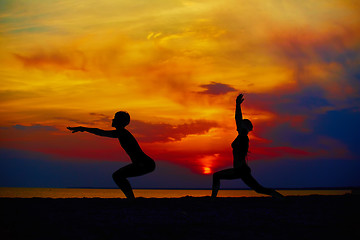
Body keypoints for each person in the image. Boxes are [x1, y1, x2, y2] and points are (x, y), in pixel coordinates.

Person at [67, 111, 155, 200]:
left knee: (118, 176)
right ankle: (131, 199)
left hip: (145, 163)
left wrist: (84, 128)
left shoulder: (122, 133)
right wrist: (84, 129)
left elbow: (101, 132)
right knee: (119, 176)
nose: (113, 119)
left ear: (121, 121)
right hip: (144, 163)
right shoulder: (122, 133)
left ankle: (131, 199)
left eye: (115, 118)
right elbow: (101, 132)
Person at [211, 94, 284, 199]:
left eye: (241, 124)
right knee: (258, 189)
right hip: (241, 169)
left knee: (217, 176)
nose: (238, 125)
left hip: (240, 170)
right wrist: (237, 105)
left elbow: (238, 119)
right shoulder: (241, 136)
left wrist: (237, 105)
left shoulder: (243, 136)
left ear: (244, 127)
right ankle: (278, 196)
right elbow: (238, 119)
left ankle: (213, 199)